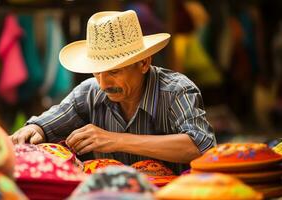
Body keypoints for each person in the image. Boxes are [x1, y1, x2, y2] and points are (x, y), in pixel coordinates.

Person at [11, 10, 216, 174]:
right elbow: (46, 124)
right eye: (97, 72)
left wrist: (115, 139)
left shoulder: (176, 90)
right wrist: (35, 130)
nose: (103, 83)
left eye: (114, 71)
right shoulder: (89, 92)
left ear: (144, 63)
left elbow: (201, 146)